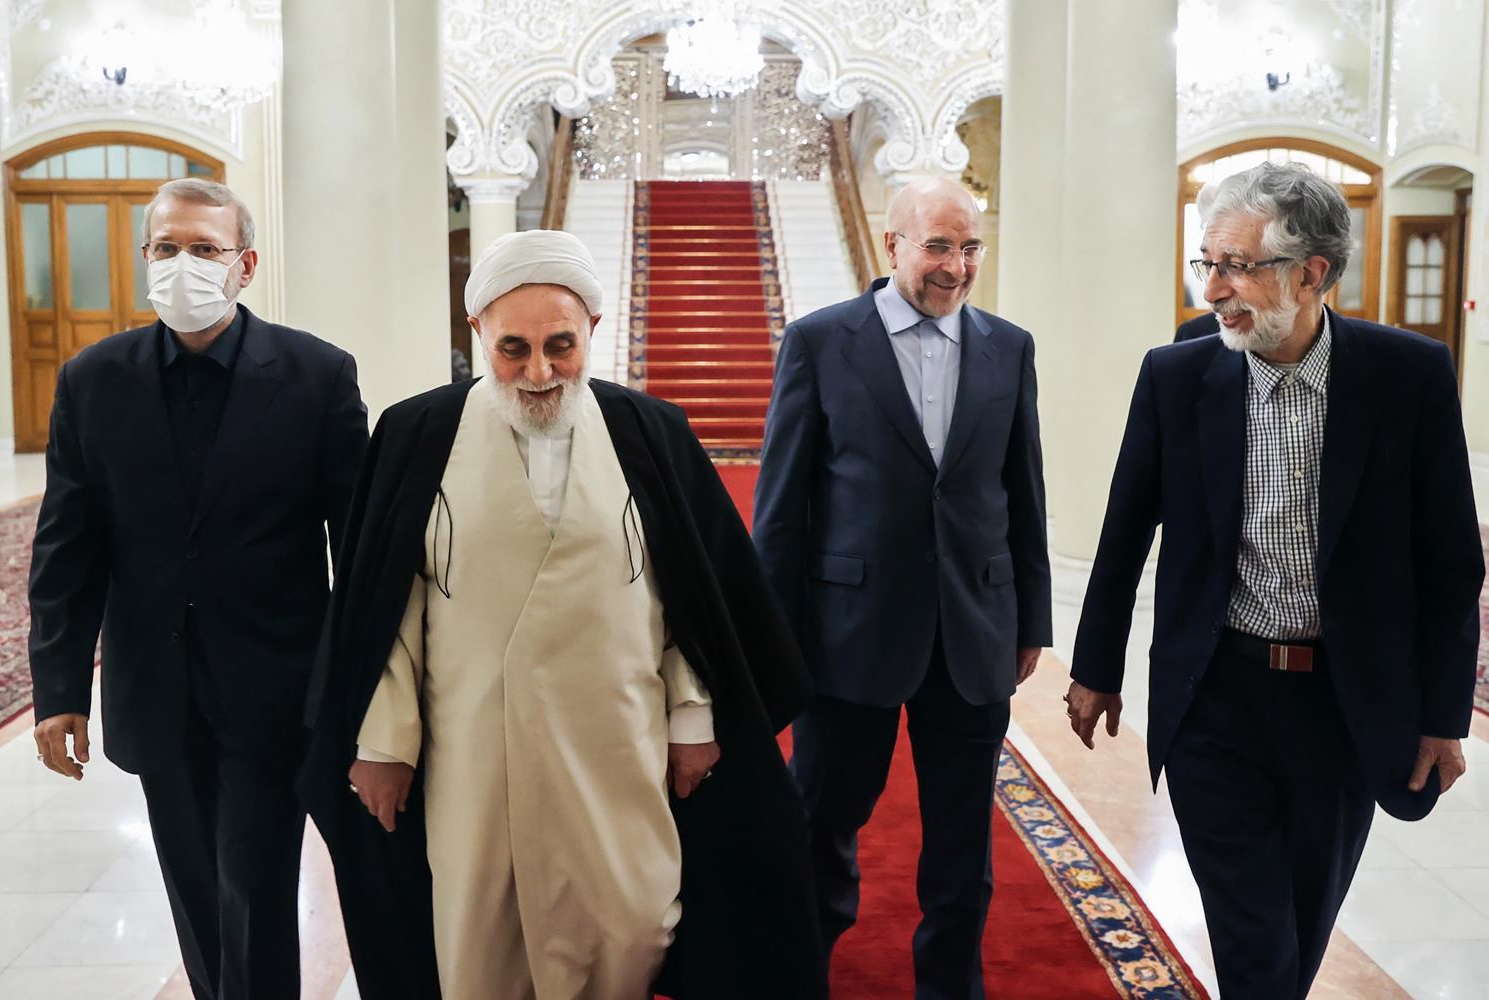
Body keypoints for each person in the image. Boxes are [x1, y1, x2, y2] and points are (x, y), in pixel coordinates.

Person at [299, 229, 825, 1000]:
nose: (539, 372)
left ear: (594, 335)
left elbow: (692, 601)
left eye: (560, 346)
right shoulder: (418, 434)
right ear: (476, 331)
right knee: (481, 943)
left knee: (635, 925)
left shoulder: (651, 431)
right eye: (513, 348)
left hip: (618, 743)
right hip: (472, 747)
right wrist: (382, 741)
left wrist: (692, 717)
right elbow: (388, 608)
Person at [1066, 162, 1483, 999]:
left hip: (1346, 704)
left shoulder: (1408, 377)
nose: (1215, 287)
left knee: (1299, 921)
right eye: (1207, 262)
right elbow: (1124, 529)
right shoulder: (1176, 374)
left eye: (1237, 265)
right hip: (1217, 693)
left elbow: (1451, 561)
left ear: (1311, 274)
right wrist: (1095, 667)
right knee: (1251, 935)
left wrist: (1444, 717)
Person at [27, 178, 369, 1000]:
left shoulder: (317, 375)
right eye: (166, 248)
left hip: (275, 686)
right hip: (155, 685)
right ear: (146, 258)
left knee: (252, 881)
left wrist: (360, 689)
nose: (184, 264)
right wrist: (59, 689)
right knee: (192, 885)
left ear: (244, 265)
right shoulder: (92, 380)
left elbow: (354, 545)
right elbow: (68, 546)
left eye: (205, 249)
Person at [752, 177, 1052, 999]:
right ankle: (802, 966)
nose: (957, 267)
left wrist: (1030, 617)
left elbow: (1021, 492)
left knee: (963, 839)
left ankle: (950, 985)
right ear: (892, 246)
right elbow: (781, 507)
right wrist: (772, 639)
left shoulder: (1009, 346)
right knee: (825, 821)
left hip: (974, 629)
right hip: (848, 629)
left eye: (971, 248)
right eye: (938, 246)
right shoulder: (819, 341)